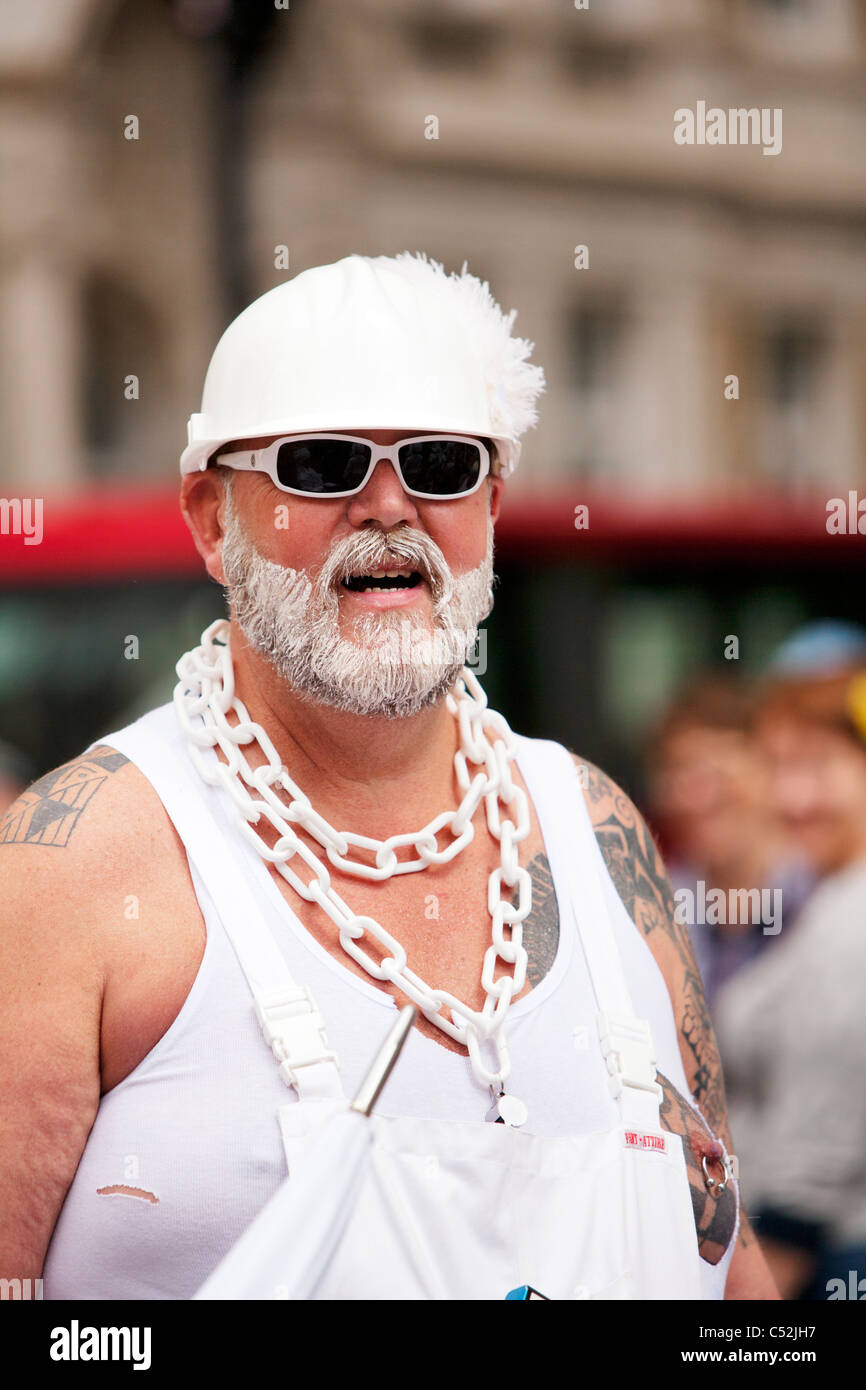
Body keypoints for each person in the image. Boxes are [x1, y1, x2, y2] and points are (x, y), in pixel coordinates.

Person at [0, 252, 777, 1300]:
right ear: (210, 518)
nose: (388, 505)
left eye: (441, 465)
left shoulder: (593, 827)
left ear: (490, 507)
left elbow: (726, 1271)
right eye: (321, 464)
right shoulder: (80, 864)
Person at [714, 641, 866, 1299]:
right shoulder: (829, 899)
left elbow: (814, 1169)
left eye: (817, 766)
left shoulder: (854, 915)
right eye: (775, 768)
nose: (789, 797)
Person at [647, 676, 813, 1009]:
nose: (695, 797)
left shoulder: (818, 894)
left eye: (716, 775)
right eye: (677, 776)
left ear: (768, 768)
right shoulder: (659, 906)